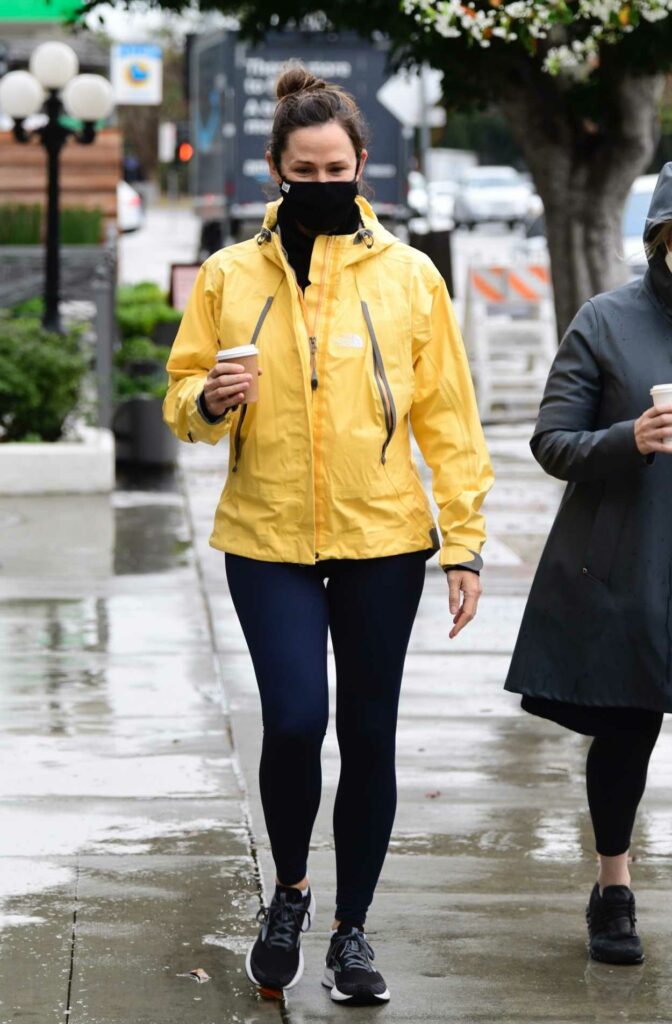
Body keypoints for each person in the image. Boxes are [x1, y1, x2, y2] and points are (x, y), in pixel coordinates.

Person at [164, 63, 493, 1005]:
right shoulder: (230, 274)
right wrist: (209, 401)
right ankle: (291, 894)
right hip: (264, 536)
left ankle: (352, 931)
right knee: (297, 717)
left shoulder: (410, 277)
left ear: (362, 165)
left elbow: (451, 424)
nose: (321, 183)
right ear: (276, 168)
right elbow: (180, 401)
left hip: (383, 538)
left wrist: (464, 541)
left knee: (370, 733)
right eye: (303, 170)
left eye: (336, 167)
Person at [505, 162, 672, 967]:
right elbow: (551, 442)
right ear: (665, 238)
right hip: (630, 569)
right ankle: (614, 889)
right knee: (627, 730)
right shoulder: (606, 321)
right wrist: (628, 437)